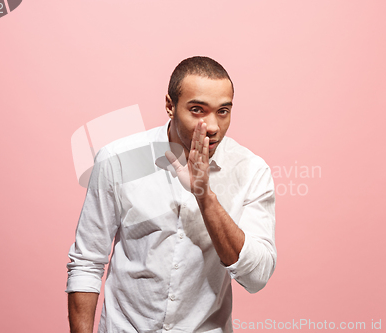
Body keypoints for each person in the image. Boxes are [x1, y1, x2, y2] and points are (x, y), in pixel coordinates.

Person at [66, 56, 277, 332]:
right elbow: (86, 262)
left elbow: (257, 276)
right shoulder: (118, 160)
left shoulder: (251, 170)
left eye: (223, 111)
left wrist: (204, 196)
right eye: (198, 110)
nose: (212, 126)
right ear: (170, 106)